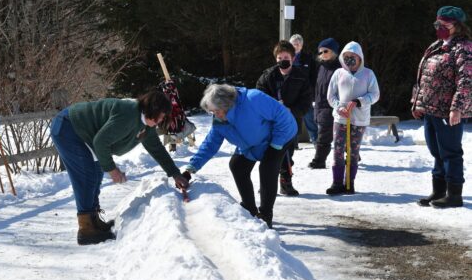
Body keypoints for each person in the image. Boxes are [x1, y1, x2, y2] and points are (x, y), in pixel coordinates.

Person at [50, 91, 190, 245]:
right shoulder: (129, 115)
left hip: (82, 133)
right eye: (162, 115)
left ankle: (93, 220)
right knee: (86, 175)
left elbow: (157, 149)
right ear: (153, 110)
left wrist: (175, 174)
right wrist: (112, 170)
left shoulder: (147, 126)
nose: (163, 120)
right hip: (68, 127)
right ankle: (86, 230)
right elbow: (101, 142)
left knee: (95, 173)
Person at [182, 84, 297, 228]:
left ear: (227, 104)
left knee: (267, 169)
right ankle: (249, 209)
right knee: (238, 166)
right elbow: (210, 144)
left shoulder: (253, 99)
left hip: (281, 136)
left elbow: (284, 117)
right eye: (212, 112)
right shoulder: (220, 121)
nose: (215, 115)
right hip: (253, 143)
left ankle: (265, 215)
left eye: (217, 111)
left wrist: (276, 145)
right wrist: (190, 169)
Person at [412, 6, 471, 208]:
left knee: (450, 151)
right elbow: (423, 77)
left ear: (457, 26)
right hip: (430, 108)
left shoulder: (463, 48)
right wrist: (417, 102)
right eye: (437, 24)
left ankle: (454, 194)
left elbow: (467, 80)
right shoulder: (436, 45)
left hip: (448, 110)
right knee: (436, 150)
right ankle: (438, 191)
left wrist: (457, 108)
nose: (439, 28)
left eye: (444, 24)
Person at [256, 40, 311, 196]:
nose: (282, 61)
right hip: (270, 123)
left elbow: (306, 101)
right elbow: (259, 97)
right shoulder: (267, 76)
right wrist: (272, 109)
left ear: (293, 58)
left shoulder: (301, 77)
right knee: (270, 154)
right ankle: (267, 183)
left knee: (287, 153)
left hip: (291, 122)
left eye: (285, 57)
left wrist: (291, 110)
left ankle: (285, 182)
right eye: (279, 58)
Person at [326, 41, 380, 195]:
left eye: (352, 56)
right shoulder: (338, 73)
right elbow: (331, 95)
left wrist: (359, 102)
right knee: (337, 149)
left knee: (353, 151)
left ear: (359, 57)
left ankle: (349, 182)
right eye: (346, 56)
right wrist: (339, 107)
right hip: (341, 118)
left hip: (359, 119)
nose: (349, 59)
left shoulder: (368, 74)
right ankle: (337, 182)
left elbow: (375, 94)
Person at [308, 38, 341, 169]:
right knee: (338, 135)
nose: (322, 54)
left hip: (333, 107)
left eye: (325, 51)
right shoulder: (321, 67)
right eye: (319, 52)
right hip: (320, 106)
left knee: (324, 137)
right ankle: (352, 154)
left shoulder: (340, 68)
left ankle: (319, 161)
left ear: (333, 51)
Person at [290, 34, 318, 147]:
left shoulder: (308, 58)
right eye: (294, 44)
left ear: (302, 46)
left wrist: (311, 91)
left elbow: (313, 76)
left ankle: (316, 141)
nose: (296, 46)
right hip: (290, 94)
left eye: (299, 44)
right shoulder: (286, 57)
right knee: (292, 119)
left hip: (305, 94)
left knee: (309, 118)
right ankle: (293, 143)